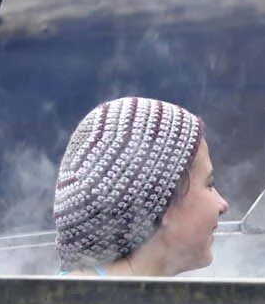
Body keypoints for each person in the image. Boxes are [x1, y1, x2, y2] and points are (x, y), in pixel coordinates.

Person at [53, 96, 228, 277]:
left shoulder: (71, 296)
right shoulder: (108, 303)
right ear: (164, 204)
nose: (222, 204)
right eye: (209, 184)